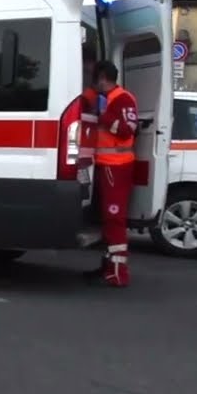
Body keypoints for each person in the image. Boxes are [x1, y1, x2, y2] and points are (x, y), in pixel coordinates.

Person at [82, 60, 139, 288]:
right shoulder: (105, 98)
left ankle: (119, 272)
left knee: (114, 219)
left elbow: (127, 129)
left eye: (95, 78)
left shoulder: (122, 98)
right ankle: (107, 266)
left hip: (117, 164)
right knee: (106, 218)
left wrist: (103, 115)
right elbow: (83, 102)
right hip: (105, 164)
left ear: (103, 77)